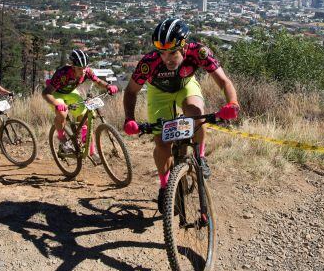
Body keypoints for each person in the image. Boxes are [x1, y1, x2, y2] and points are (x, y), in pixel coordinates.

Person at [123, 18, 239, 213]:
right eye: (162, 52)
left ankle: (200, 157)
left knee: (196, 114)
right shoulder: (149, 63)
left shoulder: (199, 52)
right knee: (161, 143)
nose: (166, 58)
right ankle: (164, 185)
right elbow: (130, 91)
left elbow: (224, 81)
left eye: (172, 53)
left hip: (185, 86)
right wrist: (129, 119)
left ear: (184, 48)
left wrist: (232, 103)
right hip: (158, 93)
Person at [42, 49, 118, 155]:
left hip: (70, 92)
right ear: (73, 66)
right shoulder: (62, 73)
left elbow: (98, 81)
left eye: (84, 67)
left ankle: (86, 143)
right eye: (79, 68)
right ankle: (63, 140)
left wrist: (108, 86)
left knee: (85, 115)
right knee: (62, 113)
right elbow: (46, 93)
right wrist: (57, 104)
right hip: (56, 93)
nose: (83, 71)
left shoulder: (87, 72)